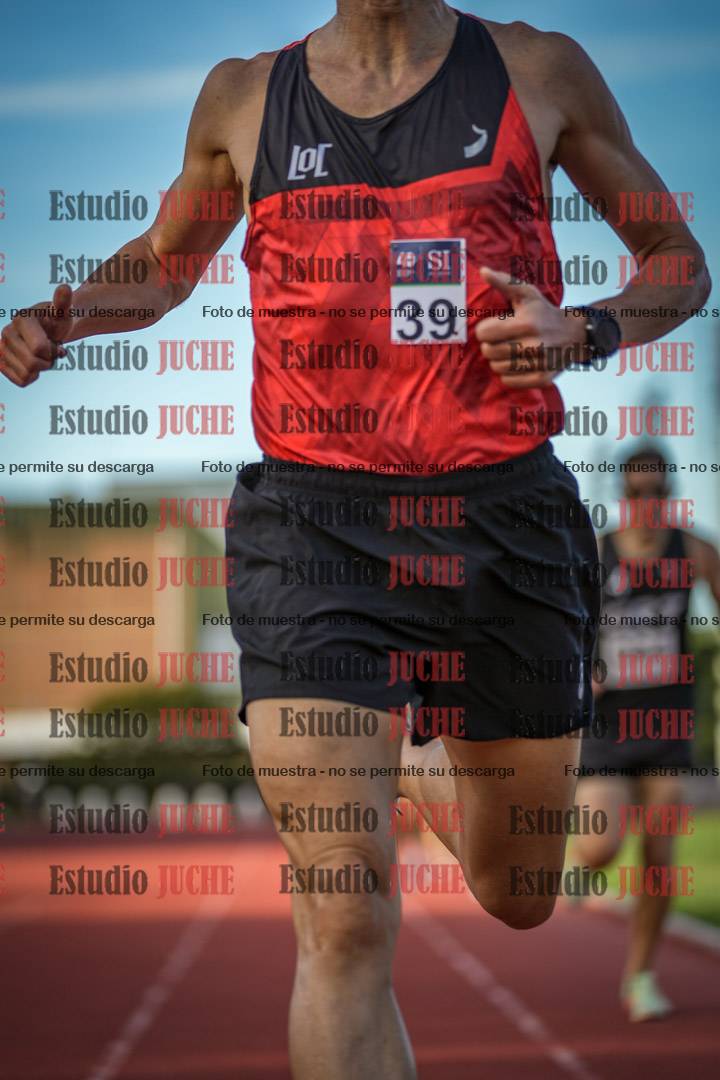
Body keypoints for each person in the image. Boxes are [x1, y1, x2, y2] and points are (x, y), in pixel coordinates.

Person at [1, 3, 710, 1076]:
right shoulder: (244, 97)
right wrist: (70, 314)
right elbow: (165, 261)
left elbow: (679, 260)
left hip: (505, 522)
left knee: (520, 892)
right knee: (343, 914)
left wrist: (585, 329)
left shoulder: (539, 71)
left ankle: (415, 759)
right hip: (312, 529)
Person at [574, 446, 720, 1022]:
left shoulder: (695, 551)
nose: (649, 504)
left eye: (659, 493)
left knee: (660, 852)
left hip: (667, 724)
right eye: (639, 494)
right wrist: (580, 669)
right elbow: (564, 621)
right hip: (607, 728)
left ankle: (639, 977)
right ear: (624, 496)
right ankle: (582, 867)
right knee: (602, 845)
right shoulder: (596, 553)